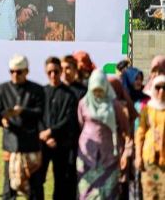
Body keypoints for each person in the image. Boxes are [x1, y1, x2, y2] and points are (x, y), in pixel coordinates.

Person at [0, 55, 44, 200]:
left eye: (19, 72)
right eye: (12, 72)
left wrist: (23, 111)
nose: (15, 75)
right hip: (11, 144)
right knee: (9, 186)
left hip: (30, 145)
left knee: (34, 186)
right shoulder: (3, 88)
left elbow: (41, 112)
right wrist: (3, 120)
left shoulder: (36, 89)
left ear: (26, 71)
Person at [77, 69, 131, 200]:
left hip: (109, 155)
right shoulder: (83, 104)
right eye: (95, 90)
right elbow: (81, 123)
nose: (98, 94)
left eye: (100, 90)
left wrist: (126, 152)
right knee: (87, 191)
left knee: (108, 191)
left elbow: (125, 128)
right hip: (87, 155)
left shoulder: (114, 105)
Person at [39, 57, 77, 200]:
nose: (53, 75)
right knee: (38, 180)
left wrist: (51, 132)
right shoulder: (41, 92)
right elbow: (37, 116)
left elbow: (69, 118)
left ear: (61, 71)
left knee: (61, 182)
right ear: (45, 72)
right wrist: (45, 135)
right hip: (43, 144)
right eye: (50, 72)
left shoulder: (70, 95)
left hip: (62, 144)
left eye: (56, 71)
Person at [135, 75, 165, 200]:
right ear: (153, 89)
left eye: (164, 88)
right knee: (149, 195)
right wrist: (138, 157)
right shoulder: (147, 109)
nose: (161, 91)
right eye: (158, 88)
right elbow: (140, 134)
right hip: (149, 159)